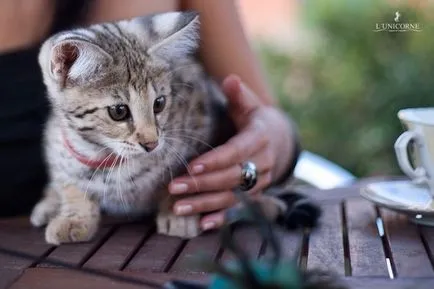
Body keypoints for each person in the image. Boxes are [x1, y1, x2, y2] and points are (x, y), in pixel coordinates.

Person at [0, 0, 300, 231]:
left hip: (172, 255)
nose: (149, 137)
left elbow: (271, 123)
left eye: (158, 106)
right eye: (119, 111)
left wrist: (265, 147)